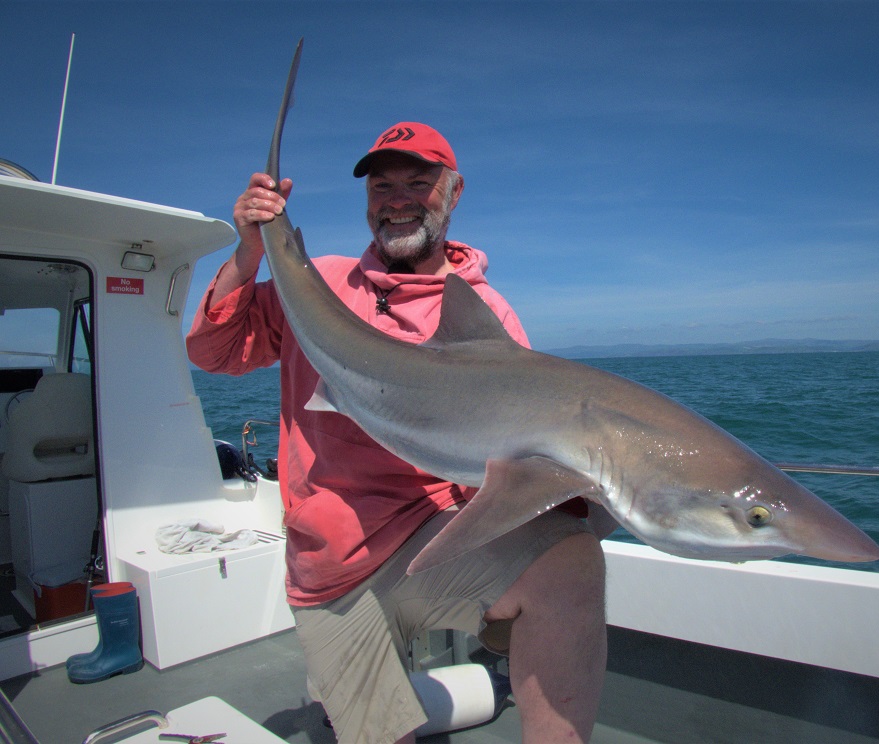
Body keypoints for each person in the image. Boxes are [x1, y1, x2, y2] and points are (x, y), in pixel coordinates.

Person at [186, 122, 607, 744]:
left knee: (572, 556)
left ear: (454, 192)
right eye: (382, 185)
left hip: (435, 541)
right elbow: (215, 352)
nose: (398, 197)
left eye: (419, 181)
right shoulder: (318, 284)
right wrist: (250, 252)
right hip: (333, 565)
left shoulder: (490, 319)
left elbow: (517, 453)